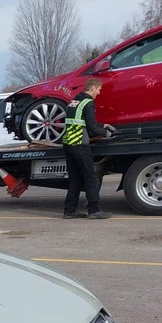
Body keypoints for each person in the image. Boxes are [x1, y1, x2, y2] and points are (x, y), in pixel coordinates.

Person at [61, 77, 116, 219]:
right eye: (98, 90)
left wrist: (103, 125)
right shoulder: (89, 102)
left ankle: (69, 211)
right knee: (90, 177)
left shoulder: (74, 101)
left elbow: (81, 121)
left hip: (68, 144)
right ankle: (94, 210)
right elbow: (92, 128)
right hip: (80, 144)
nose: (98, 93)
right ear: (92, 88)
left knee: (75, 179)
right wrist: (107, 133)